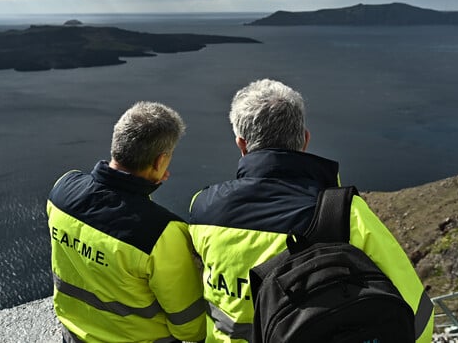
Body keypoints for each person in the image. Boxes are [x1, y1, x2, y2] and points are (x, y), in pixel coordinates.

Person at [188, 79, 434, 343]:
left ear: (242, 144)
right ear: (305, 139)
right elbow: (416, 313)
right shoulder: (342, 214)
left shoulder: (202, 209)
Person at [47, 101, 206, 343]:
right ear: (159, 161)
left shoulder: (62, 191)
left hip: (74, 335)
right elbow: (191, 328)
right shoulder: (162, 233)